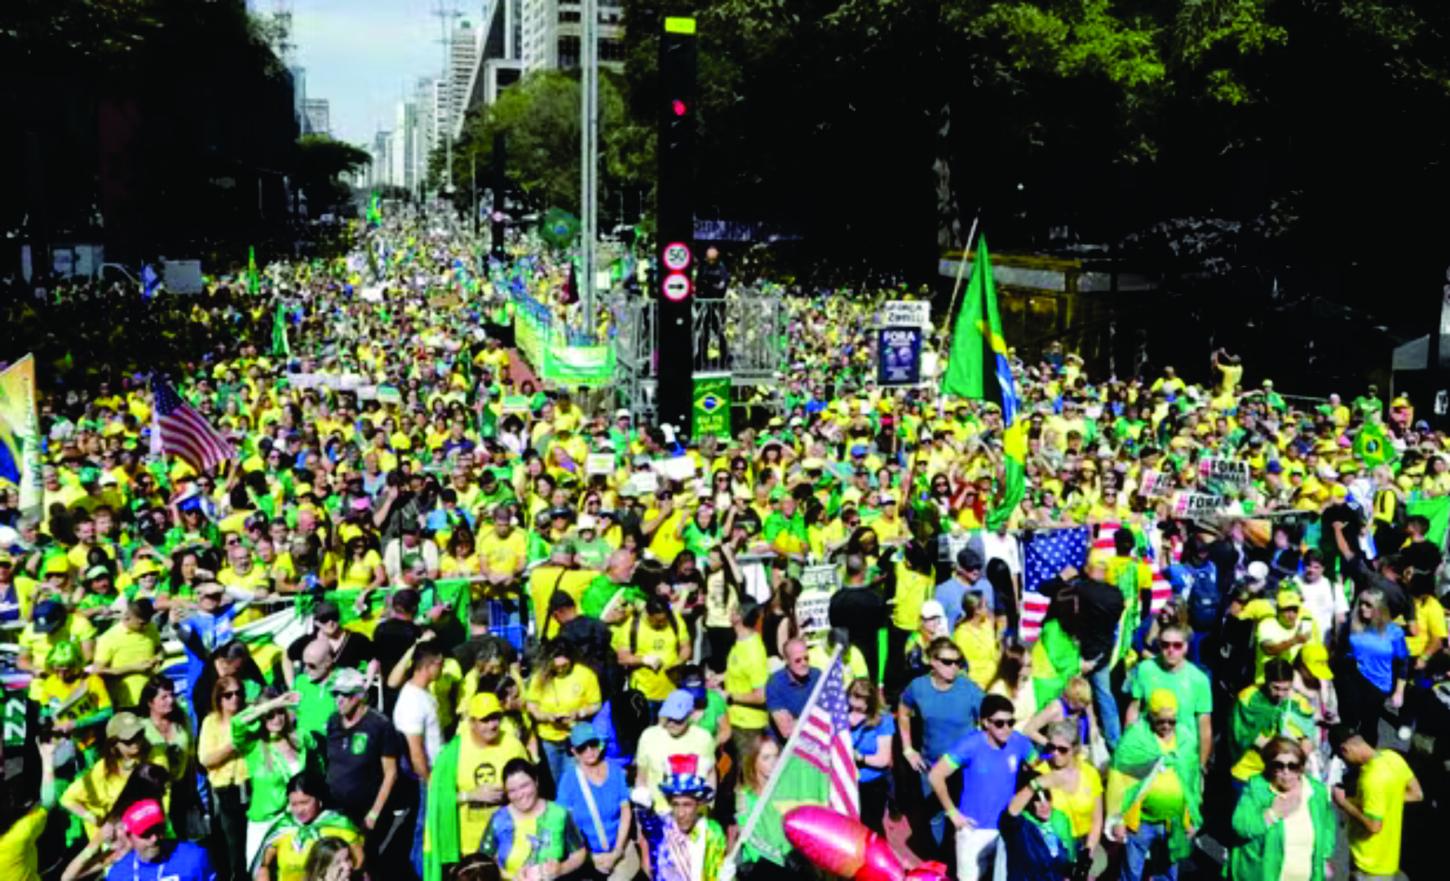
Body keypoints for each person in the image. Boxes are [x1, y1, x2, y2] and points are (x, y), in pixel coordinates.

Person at [928, 693, 1033, 881]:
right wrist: (953, 813)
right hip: (973, 831)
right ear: (985, 722)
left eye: (1011, 722)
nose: (1007, 728)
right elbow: (936, 775)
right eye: (1000, 723)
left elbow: (1039, 766)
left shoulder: (1019, 742)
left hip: (1005, 830)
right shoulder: (969, 745)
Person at [898, 637, 984, 855]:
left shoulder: (969, 689)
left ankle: (963, 860)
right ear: (933, 662)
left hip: (965, 768)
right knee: (935, 816)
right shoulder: (918, 687)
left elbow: (988, 719)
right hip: (931, 764)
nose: (953, 667)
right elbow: (903, 711)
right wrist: (908, 748)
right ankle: (940, 860)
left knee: (965, 813)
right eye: (947, 662)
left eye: (957, 662)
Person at [1106, 689, 1201, 881]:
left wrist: (1192, 816)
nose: (1166, 726)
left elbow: (1193, 781)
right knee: (1131, 873)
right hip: (1141, 822)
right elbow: (1118, 781)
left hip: (1173, 821)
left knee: (1167, 872)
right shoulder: (1135, 739)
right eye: (1161, 721)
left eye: (1171, 721)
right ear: (1150, 715)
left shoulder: (1185, 739)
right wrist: (1117, 820)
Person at [323, 668, 406, 873]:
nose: (339, 700)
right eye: (336, 694)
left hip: (366, 810)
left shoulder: (379, 725)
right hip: (337, 809)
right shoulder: (333, 721)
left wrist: (374, 813)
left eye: (345, 694)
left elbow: (391, 773)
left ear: (359, 695)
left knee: (364, 862)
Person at [1227, 737, 1336, 881]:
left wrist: (1324, 854)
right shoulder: (1257, 788)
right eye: (1278, 766)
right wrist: (1272, 814)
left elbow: (1327, 825)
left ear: (1301, 767)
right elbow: (1240, 826)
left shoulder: (1316, 791)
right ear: (1268, 766)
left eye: (1293, 766)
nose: (1286, 772)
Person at [232, 689, 316, 865]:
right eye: (269, 715)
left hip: (298, 820)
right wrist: (274, 703)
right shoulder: (253, 745)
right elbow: (238, 722)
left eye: (280, 712)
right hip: (266, 822)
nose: (276, 719)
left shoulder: (300, 739)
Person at [1328, 725, 1423, 881]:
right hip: (1389, 859)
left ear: (1345, 749)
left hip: (1369, 864)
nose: (1345, 761)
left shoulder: (1371, 780)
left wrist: (1344, 803)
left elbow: (1374, 826)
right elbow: (1416, 794)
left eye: (1341, 756)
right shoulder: (1392, 757)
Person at [475, 759, 589, 881]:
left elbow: (579, 852)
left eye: (524, 786)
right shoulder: (499, 819)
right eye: (512, 790)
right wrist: (513, 877)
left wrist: (561, 868)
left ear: (536, 781)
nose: (520, 795)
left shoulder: (559, 814)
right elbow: (482, 862)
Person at [1124, 624, 1212, 775]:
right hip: (1148, 751)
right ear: (1159, 644)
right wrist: (1127, 745)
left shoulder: (1199, 680)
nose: (1171, 650)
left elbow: (1204, 726)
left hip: (1183, 756)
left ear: (1186, 647)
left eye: (1177, 645)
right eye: (1165, 645)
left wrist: (1201, 766)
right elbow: (1134, 709)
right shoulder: (1145, 669)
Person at [554, 722, 636, 881]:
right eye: (582, 748)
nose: (589, 751)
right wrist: (589, 857)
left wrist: (617, 851)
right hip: (587, 857)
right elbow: (565, 824)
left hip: (620, 850)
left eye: (593, 744)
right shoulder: (568, 781)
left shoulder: (616, 771)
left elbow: (626, 813)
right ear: (574, 752)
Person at [395, 639, 446, 876]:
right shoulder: (412, 700)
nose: (443, 670)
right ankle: (420, 873)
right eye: (441, 664)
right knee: (424, 828)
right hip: (427, 774)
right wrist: (429, 780)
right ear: (431, 665)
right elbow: (415, 750)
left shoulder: (422, 693)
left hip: (434, 770)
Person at [255, 771, 364, 881]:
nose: (299, 810)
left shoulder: (339, 824)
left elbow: (359, 862)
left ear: (319, 800)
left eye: (304, 802)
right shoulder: (283, 827)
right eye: (294, 804)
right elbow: (263, 865)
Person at [524, 639, 601, 793]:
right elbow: (532, 705)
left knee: (574, 779)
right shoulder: (540, 676)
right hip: (548, 738)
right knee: (555, 780)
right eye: (556, 667)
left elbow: (596, 704)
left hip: (574, 738)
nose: (560, 670)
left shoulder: (585, 675)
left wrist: (579, 713)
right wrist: (547, 717)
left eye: (564, 666)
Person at [1335, 587, 1408, 745]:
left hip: (1378, 683)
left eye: (1368, 605)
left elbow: (1403, 662)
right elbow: (1341, 651)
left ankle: (1367, 757)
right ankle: (1345, 756)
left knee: (1369, 723)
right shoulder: (1352, 625)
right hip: (1352, 678)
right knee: (1349, 721)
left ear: (1379, 608)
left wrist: (1399, 692)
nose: (1362, 608)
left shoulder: (1394, 632)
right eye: (1361, 603)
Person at [60, 711, 150, 840]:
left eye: (139, 735)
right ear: (114, 744)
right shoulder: (102, 769)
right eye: (129, 740)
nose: (136, 742)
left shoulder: (154, 756)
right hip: (117, 842)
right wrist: (96, 821)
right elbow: (67, 799)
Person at [1227, 658, 1316, 786]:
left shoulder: (1298, 704)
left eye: (1286, 689)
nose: (1280, 694)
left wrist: (1296, 767)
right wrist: (1286, 754)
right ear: (1266, 680)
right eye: (1276, 688)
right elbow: (1247, 735)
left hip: (1284, 777)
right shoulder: (1248, 700)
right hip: (1248, 774)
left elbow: (1307, 739)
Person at [198, 676, 250, 881]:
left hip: (250, 785)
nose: (234, 699)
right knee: (231, 846)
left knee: (250, 843)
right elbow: (205, 759)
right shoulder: (211, 722)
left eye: (238, 693)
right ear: (219, 698)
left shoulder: (249, 716)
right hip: (225, 789)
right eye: (228, 695)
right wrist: (232, 746)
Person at [635, 767, 727, 881]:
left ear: (698, 805)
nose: (680, 813)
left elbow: (715, 870)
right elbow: (649, 823)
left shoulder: (711, 831)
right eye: (675, 804)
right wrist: (643, 808)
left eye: (687, 805)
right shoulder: (663, 829)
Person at [635, 690, 717, 813]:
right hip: (658, 813)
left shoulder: (703, 738)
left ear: (690, 715)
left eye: (678, 720)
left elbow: (710, 774)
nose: (671, 723)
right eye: (668, 718)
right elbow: (641, 777)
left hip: (693, 815)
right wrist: (642, 813)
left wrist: (708, 805)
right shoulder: (649, 736)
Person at [1030, 720, 1102, 856]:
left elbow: (1097, 819)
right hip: (1054, 847)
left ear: (1075, 748)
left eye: (1062, 749)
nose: (1055, 753)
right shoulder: (1040, 775)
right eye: (1052, 747)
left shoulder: (1090, 773)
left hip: (1085, 843)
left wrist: (1088, 853)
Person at [104, 799, 216, 881]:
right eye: (145, 834)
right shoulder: (118, 875)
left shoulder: (193, 857)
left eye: (158, 830)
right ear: (129, 836)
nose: (154, 839)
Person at [999, 769, 1078, 881]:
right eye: (1036, 799)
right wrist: (1034, 785)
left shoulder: (1060, 819)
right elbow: (1010, 814)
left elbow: (1068, 863)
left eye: (1047, 796)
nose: (1044, 804)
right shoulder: (1019, 826)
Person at [91, 598, 162, 709]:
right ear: (127, 617)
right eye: (141, 624)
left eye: (147, 623)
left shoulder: (150, 627)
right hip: (126, 701)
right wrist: (133, 668)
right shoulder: (109, 638)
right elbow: (97, 670)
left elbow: (159, 649)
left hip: (152, 698)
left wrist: (159, 657)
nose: (144, 627)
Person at [847, 677, 895, 836]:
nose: (854, 712)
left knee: (871, 826)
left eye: (859, 709)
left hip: (872, 783)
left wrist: (859, 757)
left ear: (871, 706)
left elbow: (884, 760)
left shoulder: (883, 720)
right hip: (848, 781)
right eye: (851, 706)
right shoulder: (842, 716)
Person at [724, 602, 771, 759]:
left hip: (748, 727)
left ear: (739, 617)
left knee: (748, 777)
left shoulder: (753, 653)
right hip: (735, 721)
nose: (730, 610)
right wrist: (720, 677)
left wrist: (730, 696)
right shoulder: (739, 642)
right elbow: (740, 671)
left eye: (734, 609)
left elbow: (761, 695)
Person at [765, 638, 821, 739]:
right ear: (786, 660)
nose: (804, 663)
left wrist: (797, 722)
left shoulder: (817, 675)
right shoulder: (775, 684)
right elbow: (788, 731)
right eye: (798, 660)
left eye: (806, 658)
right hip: (785, 746)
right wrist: (818, 718)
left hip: (814, 738)